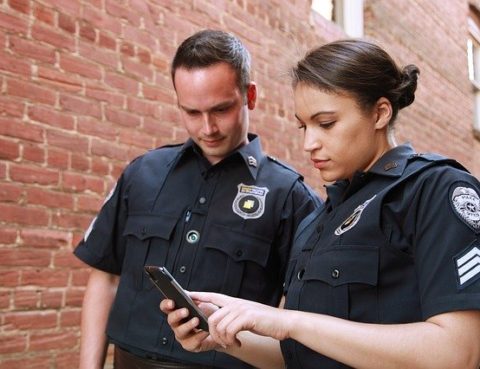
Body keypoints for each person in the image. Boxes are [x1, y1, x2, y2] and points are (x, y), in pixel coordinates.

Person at [161, 39, 480, 369]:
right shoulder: (317, 220)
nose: (308, 143)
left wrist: (289, 321)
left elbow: (459, 353)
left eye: (326, 123)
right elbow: (298, 355)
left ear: (380, 113)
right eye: (303, 126)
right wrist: (225, 333)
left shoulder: (435, 190)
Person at [74, 29, 320, 369]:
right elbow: (106, 278)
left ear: (250, 95)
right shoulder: (143, 173)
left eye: (221, 109)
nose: (207, 128)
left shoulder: (291, 198)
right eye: (191, 112)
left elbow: (298, 321)